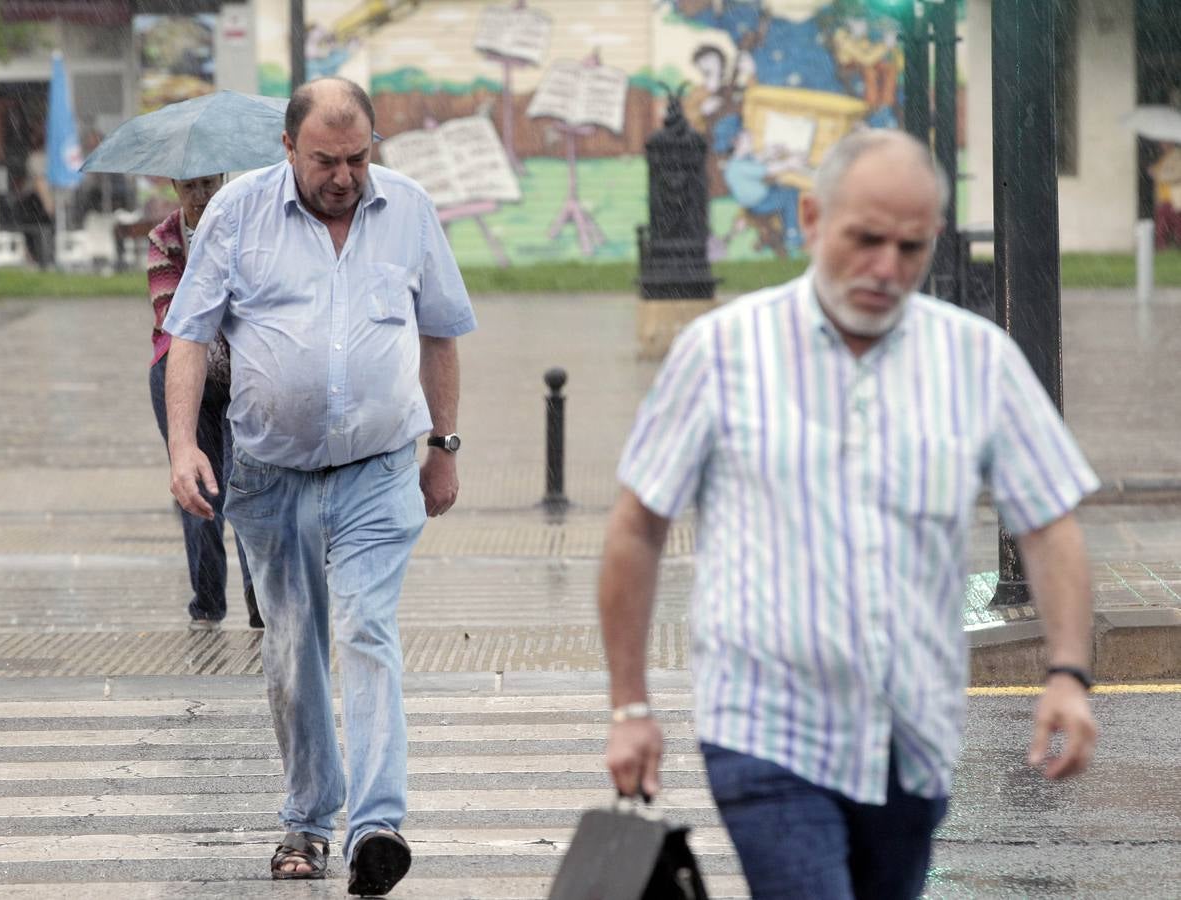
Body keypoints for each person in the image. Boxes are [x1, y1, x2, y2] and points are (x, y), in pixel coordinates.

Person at [599, 129, 1099, 899]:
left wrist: (1067, 673)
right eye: (864, 240)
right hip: (765, 731)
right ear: (809, 218)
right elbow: (637, 526)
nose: (886, 269)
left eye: (911, 247)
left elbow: (1048, 521)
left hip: (913, 738)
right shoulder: (722, 353)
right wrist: (630, 705)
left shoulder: (976, 360)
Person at [161, 77, 475, 895]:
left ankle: (377, 825)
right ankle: (307, 819)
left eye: (358, 156)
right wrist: (184, 446)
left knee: (369, 629)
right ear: (288, 148)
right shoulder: (236, 215)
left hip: (377, 467)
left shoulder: (407, 209)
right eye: (325, 159)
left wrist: (442, 445)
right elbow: (188, 334)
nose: (344, 176)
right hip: (269, 474)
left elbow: (441, 329)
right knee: (295, 650)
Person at [146, 173, 261, 631]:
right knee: (197, 489)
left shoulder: (247, 228)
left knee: (248, 485)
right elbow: (175, 316)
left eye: (209, 184)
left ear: (224, 181)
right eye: (190, 186)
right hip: (178, 369)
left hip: (242, 373)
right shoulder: (164, 238)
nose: (201, 194)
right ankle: (207, 602)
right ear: (175, 187)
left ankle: (262, 605)